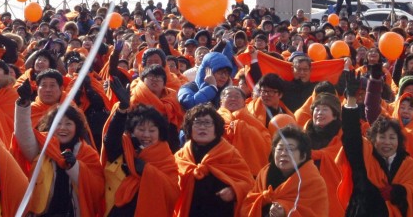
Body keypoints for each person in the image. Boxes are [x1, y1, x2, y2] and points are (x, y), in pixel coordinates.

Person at [338, 72, 413, 217]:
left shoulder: (407, 164)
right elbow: (351, 135)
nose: (387, 142)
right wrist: (351, 99)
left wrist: (399, 191)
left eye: (392, 138)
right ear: (373, 139)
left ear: (399, 141)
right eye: (382, 137)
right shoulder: (364, 157)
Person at [14, 95, 105, 216]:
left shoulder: (87, 153)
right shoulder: (42, 147)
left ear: (77, 127)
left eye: (68, 124)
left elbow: (97, 189)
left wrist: (75, 166)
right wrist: (23, 106)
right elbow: (24, 136)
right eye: (58, 123)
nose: (63, 128)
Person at [102, 81, 179, 217]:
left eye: (152, 130)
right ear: (132, 131)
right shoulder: (125, 147)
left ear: (160, 133)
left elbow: (172, 192)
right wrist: (122, 111)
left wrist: (147, 171)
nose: (146, 135)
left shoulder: (165, 157)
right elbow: (111, 140)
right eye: (141, 129)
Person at [172, 104, 253, 217]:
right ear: (189, 128)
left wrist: (234, 191)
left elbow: (248, 183)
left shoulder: (230, 153)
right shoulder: (181, 156)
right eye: (197, 122)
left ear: (217, 128)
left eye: (207, 123)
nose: (202, 127)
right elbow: (168, 184)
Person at [240, 126, 328, 217]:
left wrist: (286, 211)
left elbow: (316, 213)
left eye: (290, 149)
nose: (283, 153)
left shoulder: (313, 182)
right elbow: (249, 203)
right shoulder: (264, 174)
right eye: (280, 149)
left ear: (303, 156)